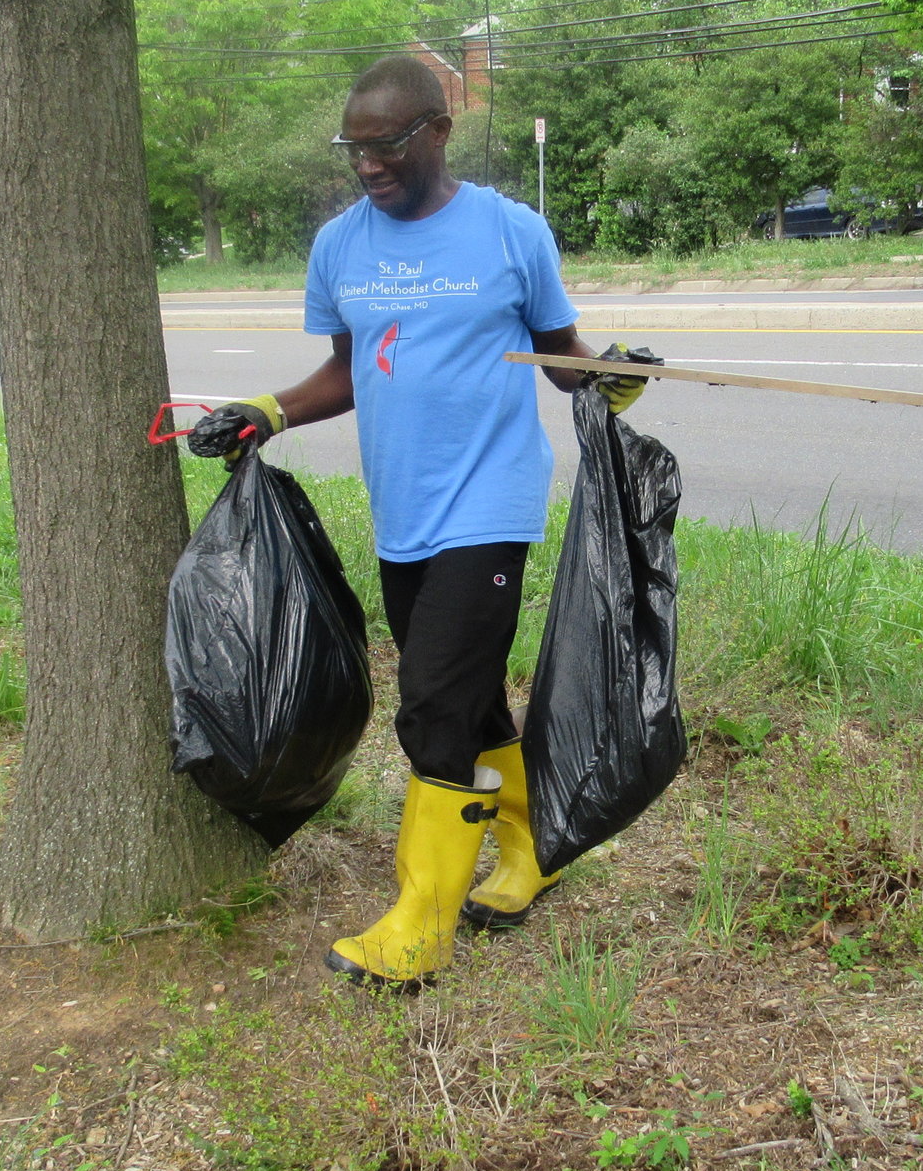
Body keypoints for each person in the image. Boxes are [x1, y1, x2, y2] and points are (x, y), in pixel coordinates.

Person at [184, 55, 649, 986]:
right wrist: (266, 411)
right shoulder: (341, 247)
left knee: (433, 702)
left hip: (491, 499)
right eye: (353, 149)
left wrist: (612, 375)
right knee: (470, 700)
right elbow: (347, 370)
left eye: (386, 144)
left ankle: (421, 925)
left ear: (438, 128)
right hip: (405, 510)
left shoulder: (512, 233)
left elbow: (561, 357)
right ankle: (531, 854)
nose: (368, 166)